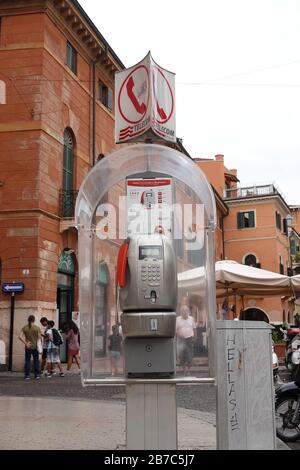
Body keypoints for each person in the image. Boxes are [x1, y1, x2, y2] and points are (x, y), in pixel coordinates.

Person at [18, 315, 41, 380]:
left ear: (28, 320)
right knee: (36, 361)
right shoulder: (37, 328)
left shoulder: (24, 327)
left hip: (28, 347)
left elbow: (19, 336)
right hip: (35, 347)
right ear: (34, 320)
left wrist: (26, 343)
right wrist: (40, 346)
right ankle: (37, 375)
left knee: (27, 361)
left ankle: (27, 375)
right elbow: (39, 338)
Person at [176, 305, 196, 376]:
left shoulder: (191, 319)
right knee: (181, 355)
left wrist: (195, 338)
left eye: (186, 310)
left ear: (188, 311)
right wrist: (178, 334)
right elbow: (175, 330)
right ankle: (184, 370)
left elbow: (194, 328)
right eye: (183, 311)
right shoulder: (177, 319)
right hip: (181, 339)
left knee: (189, 355)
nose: (185, 312)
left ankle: (188, 370)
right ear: (181, 312)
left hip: (189, 339)